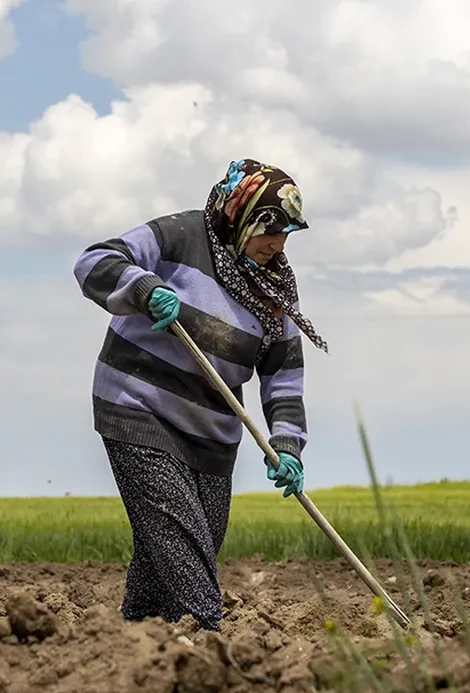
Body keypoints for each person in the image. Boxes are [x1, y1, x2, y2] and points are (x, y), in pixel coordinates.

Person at [72, 157, 328, 631]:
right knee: (178, 535)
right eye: (269, 229)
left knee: (187, 542)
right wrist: (144, 289)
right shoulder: (182, 235)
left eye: (287, 233)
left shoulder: (276, 289)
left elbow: (284, 377)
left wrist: (287, 446)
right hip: (139, 406)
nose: (278, 243)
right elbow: (94, 261)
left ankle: (134, 637)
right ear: (240, 215)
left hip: (212, 432)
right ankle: (208, 638)